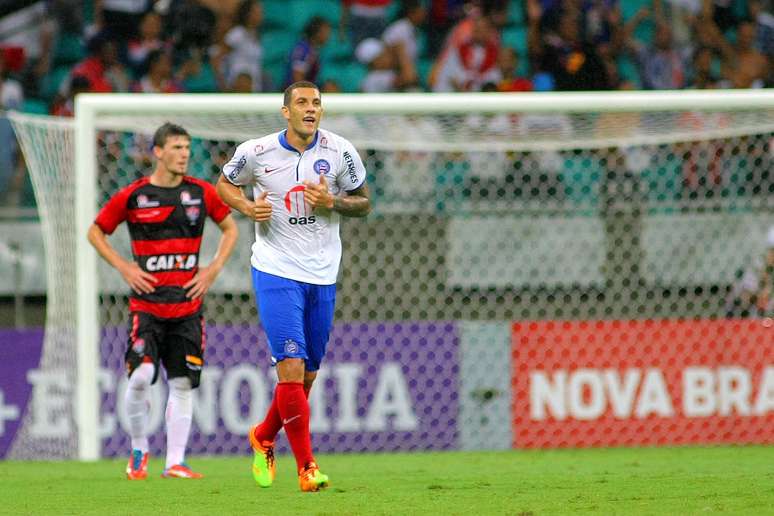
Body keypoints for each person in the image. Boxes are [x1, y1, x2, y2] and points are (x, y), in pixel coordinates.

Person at [215, 81, 371, 492]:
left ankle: (264, 435)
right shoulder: (257, 152)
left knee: (305, 379)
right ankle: (306, 468)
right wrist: (248, 207)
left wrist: (333, 202)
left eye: (316, 103)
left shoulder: (340, 152)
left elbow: (365, 202)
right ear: (285, 111)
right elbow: (223, 184)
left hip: (322, 273)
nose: (310, 108)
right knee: (291, 367)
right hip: (275, 269)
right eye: (302, 102)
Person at [87, 123, 238, 480]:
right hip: (147, 305)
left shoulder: (201, 193)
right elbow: (95, 231)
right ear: (158, 152)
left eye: (187, 147)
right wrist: (124, 266)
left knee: (182, 384)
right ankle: (139, 449)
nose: (184, 153)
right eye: (176, 147)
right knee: (141, 376)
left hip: (187, 306)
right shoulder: (135, 196)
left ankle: (174, 462)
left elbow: (231, 228)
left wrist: (212, 269)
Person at [725, 226, 774, 318]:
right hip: (745, 320)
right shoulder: (757, 267)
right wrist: (761, 290)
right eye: (772, 251)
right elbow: (744, 299)